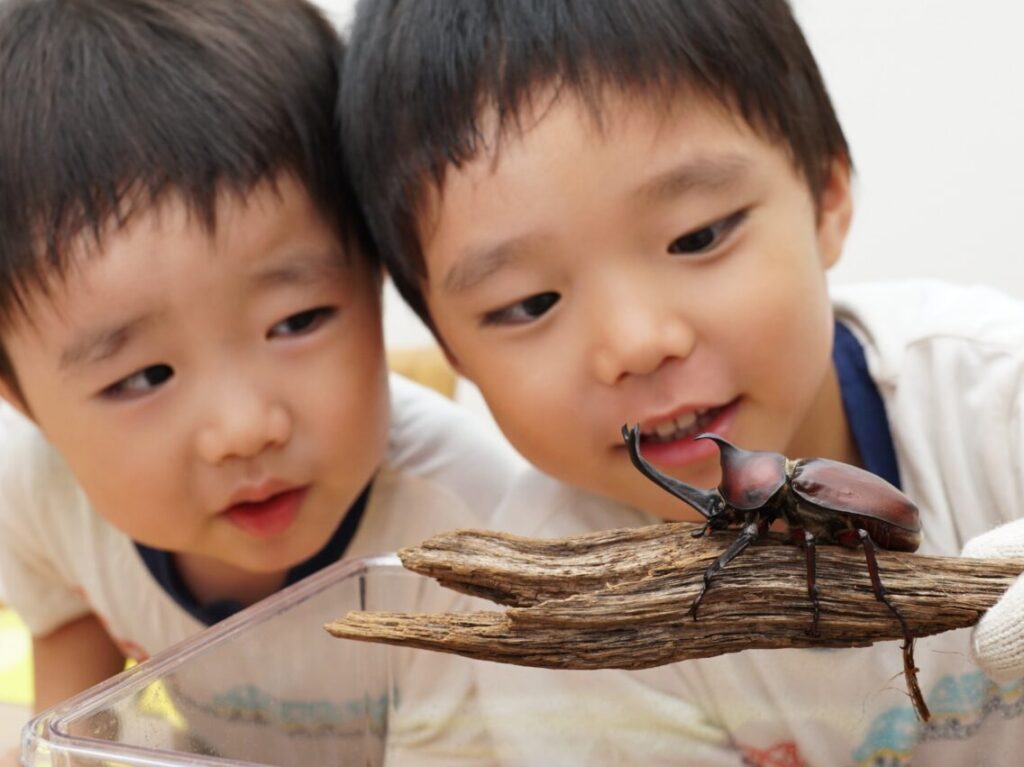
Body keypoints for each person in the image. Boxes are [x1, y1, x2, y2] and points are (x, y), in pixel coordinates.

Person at [339, 0, 1024, 764]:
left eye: (698, 235)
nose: (635, 343)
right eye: (528, 303)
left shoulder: (1000, 398)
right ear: (450, 350)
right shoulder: (556, 608)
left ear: (827, 194)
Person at [0, 0, 517, 760]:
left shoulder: (466, 536)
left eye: (296, 321)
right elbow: (65, 636)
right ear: (24, 400)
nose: (246, 426)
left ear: (381, 274)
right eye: (144, 375)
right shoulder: (38, 491)